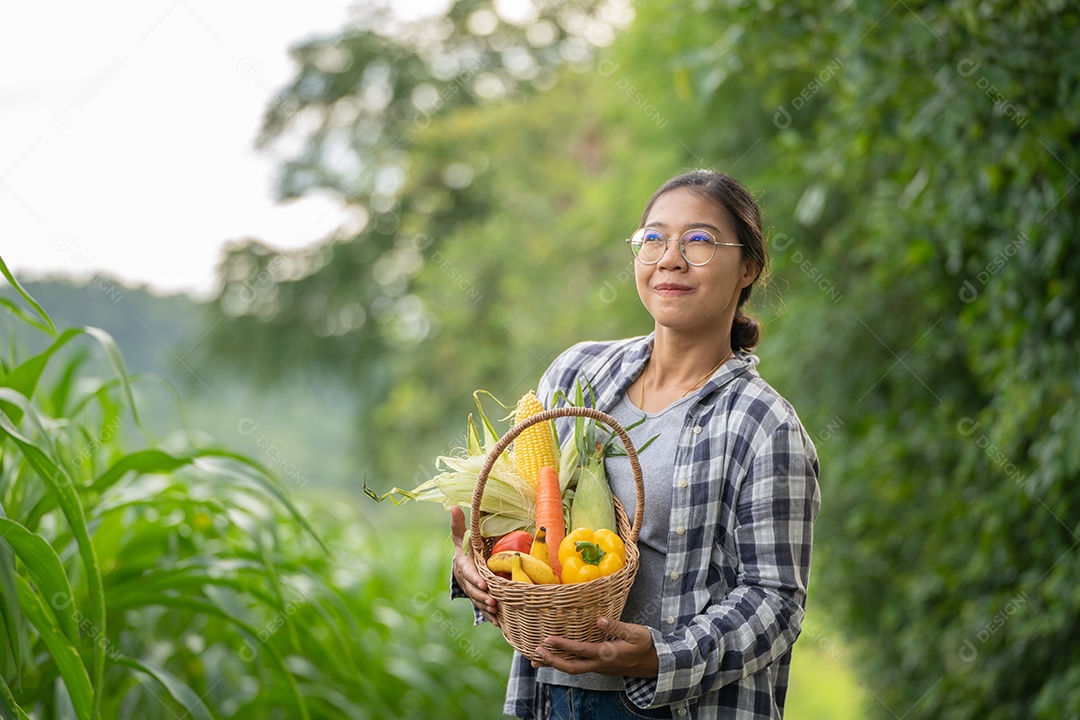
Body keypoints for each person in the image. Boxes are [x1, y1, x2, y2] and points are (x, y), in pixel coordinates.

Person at [450, 169, 821, 719]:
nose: (670, 258)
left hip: (675, 707)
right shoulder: (578, 375)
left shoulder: (764, 425)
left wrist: (659, 657)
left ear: (748, 267)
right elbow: (524, 524)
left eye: (699, 240)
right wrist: (476, 563)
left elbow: (776, 601)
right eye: (653, 238)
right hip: (549, 697)